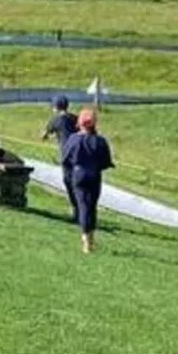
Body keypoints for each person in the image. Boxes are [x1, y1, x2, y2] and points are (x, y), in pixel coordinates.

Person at [60, 108, 114, 254]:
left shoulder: (73, 139)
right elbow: (106, 161)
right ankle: (91, 238)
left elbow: (65, 158)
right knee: (92, 206)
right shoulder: (100, 141)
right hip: (94, 175)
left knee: (82, 206)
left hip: (78, 174)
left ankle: (86, 240)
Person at [43, 95, 81, 220]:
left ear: (55, 107)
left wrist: (47, 135)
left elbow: (45, 133)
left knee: (68, 180)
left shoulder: (55, 120)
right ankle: (80, 207)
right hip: (79, 153)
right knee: (78, 180)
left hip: (66, 154)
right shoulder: (75, 118)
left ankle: (76, 208)